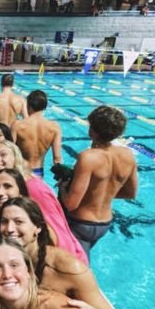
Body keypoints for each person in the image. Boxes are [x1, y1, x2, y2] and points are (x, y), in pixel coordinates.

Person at [0, 197, 125, 309]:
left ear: (38, 228)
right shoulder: (3, 261)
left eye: (19, 222)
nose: (9, 229)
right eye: (4, 222)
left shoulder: (67, 268)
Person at [59, 106, 138, 259]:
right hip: (104, 223)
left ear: (92, 131)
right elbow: (130, 193)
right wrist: (103, 194)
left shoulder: (87, 157)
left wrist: (63, 187)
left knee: (75, 271)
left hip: (80, 223)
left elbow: (71, 204)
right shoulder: (128, 155)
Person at [0, 140, 87, 263]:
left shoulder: (33, 188)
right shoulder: (5, 190)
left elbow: (57, 231)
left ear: (16, 157)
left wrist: (63, 267)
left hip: (64, 262)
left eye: (3, 155)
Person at [11, 89, 62, 177]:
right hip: (38, 172)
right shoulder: (54, 128)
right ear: (45, 107)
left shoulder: (17, 125)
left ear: (28, 106)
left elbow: (9, 151)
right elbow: (57, 158)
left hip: (21, 171)